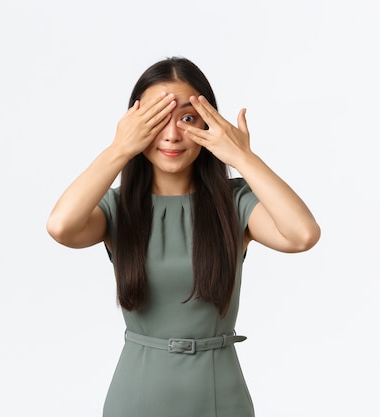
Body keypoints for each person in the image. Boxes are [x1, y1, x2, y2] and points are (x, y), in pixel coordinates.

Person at [46, 56, 321, 417]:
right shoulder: (117, 208)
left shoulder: (236, 203)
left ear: (209, 123)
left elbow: (302, 235)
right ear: (135, 125)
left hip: (222, 396)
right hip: (137, 395)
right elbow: (61, 227)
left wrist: (242, 156)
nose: (173, 135)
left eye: (188, 118)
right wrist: (118, 149)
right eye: (157, 119)